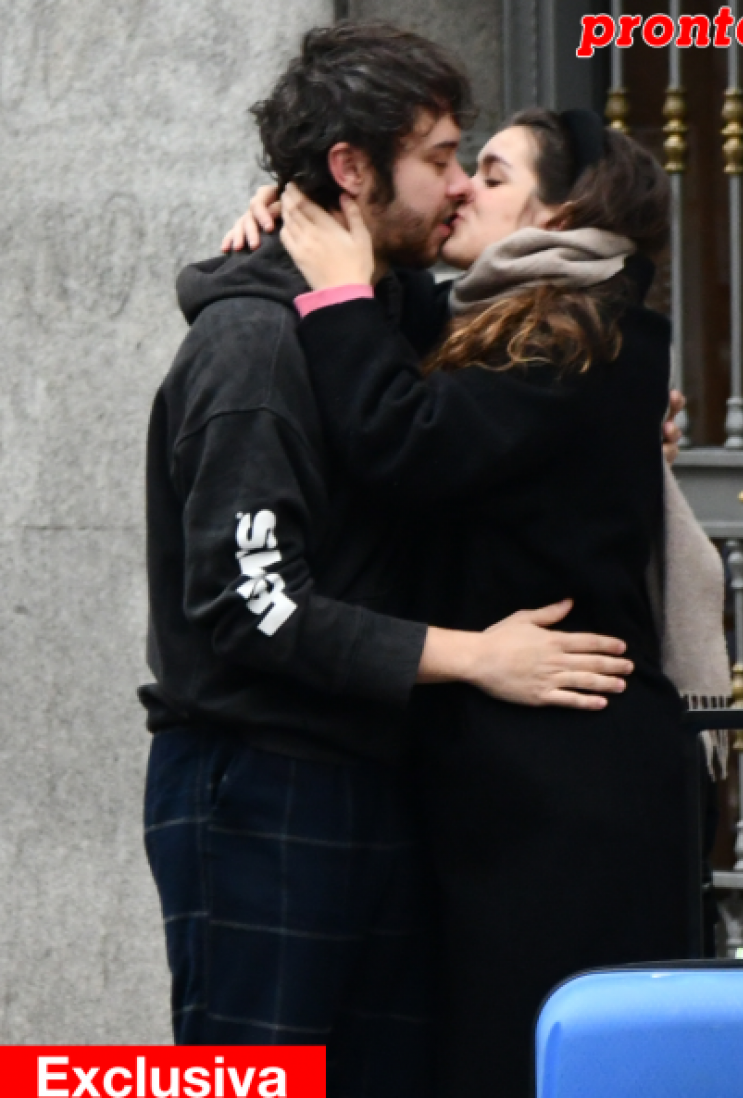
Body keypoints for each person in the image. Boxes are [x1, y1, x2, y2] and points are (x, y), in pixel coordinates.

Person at [141, 24, 636, 1095]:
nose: (460, 188)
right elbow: (251, 604)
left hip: (366, 777)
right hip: (260, 783)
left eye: (472, 162)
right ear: (352, 170)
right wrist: (470, 657)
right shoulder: (254, 347)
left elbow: (461, 404)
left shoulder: (384, 313)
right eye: (441, 160)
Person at [238, 106, 700, 1098]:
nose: (458, 188)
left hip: (568, 784)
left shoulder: (587, 338)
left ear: (562, 205)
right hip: (511, 771)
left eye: (487, 172)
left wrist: (331, 295)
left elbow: (402, 441)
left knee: (536, 1062)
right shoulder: (510, 318)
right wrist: (286, 222)